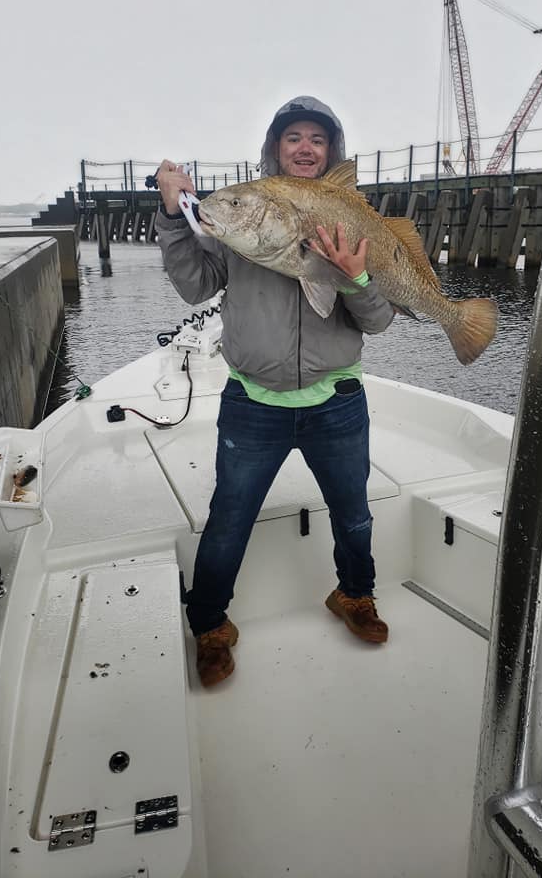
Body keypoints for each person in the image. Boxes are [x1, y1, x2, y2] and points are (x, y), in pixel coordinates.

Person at [155, 95, 395, 688]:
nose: (306, 147)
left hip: (336, 399)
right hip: (253, 403)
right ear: (276, 149)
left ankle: (355, 595)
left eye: (317, 138)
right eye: (294, 138)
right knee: (229, 521)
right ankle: (210, 625)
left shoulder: (350, 218)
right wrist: (170, 216)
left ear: (331, 151)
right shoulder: (249, 214)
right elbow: (194, 287)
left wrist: (355, 276)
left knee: (355, 516)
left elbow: (379, 319)